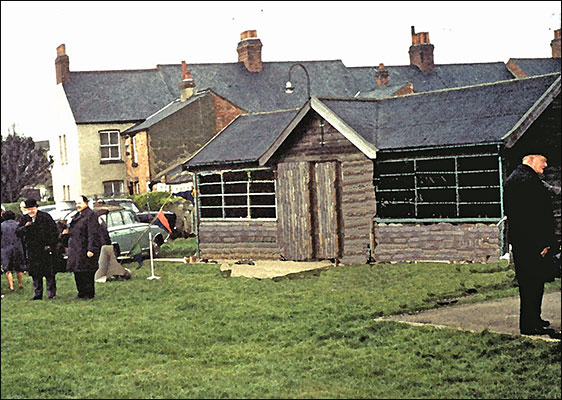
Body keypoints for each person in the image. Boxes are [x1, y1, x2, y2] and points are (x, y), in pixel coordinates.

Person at [503, 153, 557, 335]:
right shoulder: (528, 181)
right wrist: (542, 243)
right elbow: (534, 216)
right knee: (532, 284)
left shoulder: (516, 179)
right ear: (531, 159)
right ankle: (530, 325)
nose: (545, 164)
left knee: (531, 284)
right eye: (543, 160)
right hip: (532, 243)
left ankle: (534, 319)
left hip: (523, 242)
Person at [15, 199, 59, 300]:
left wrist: (50, 244)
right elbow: (18, 232)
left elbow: (54, 231)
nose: (31, 211)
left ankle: (51, 294)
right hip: (32, 250)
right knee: (35, 273)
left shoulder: (45, 217)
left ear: (36, 208)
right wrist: (25, 227)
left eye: (32, 209)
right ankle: (37, 294)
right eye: (29, 209)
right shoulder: (24, 219)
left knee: (49, 273)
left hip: (45, 249)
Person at [63, 195, 102, 299]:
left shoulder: (91, 215)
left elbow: (92, 233)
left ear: (86, 203)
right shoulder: (76, 215)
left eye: (79, 203)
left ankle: (89, 294)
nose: (77, 205)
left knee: (87, 272)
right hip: (75, 248)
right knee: (77, 271)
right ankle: (81, 292)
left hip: (85, 248)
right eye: (76, 204)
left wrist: (91, 249)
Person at [94, 207, 131, 282]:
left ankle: (122, 273)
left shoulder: (101, 223)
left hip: (104, 246)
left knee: (108, 263)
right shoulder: (99, 222)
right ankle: (121, 273)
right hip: (103, 246)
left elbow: (104, 235)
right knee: (107, 263)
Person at [2, 210, 26, 293]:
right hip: (18, 247)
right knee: (19, 267)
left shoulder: (1, 226)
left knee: (8, 269)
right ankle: (20, 284)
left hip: (5, 248)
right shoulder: (18, 225)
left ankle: (11, 286)